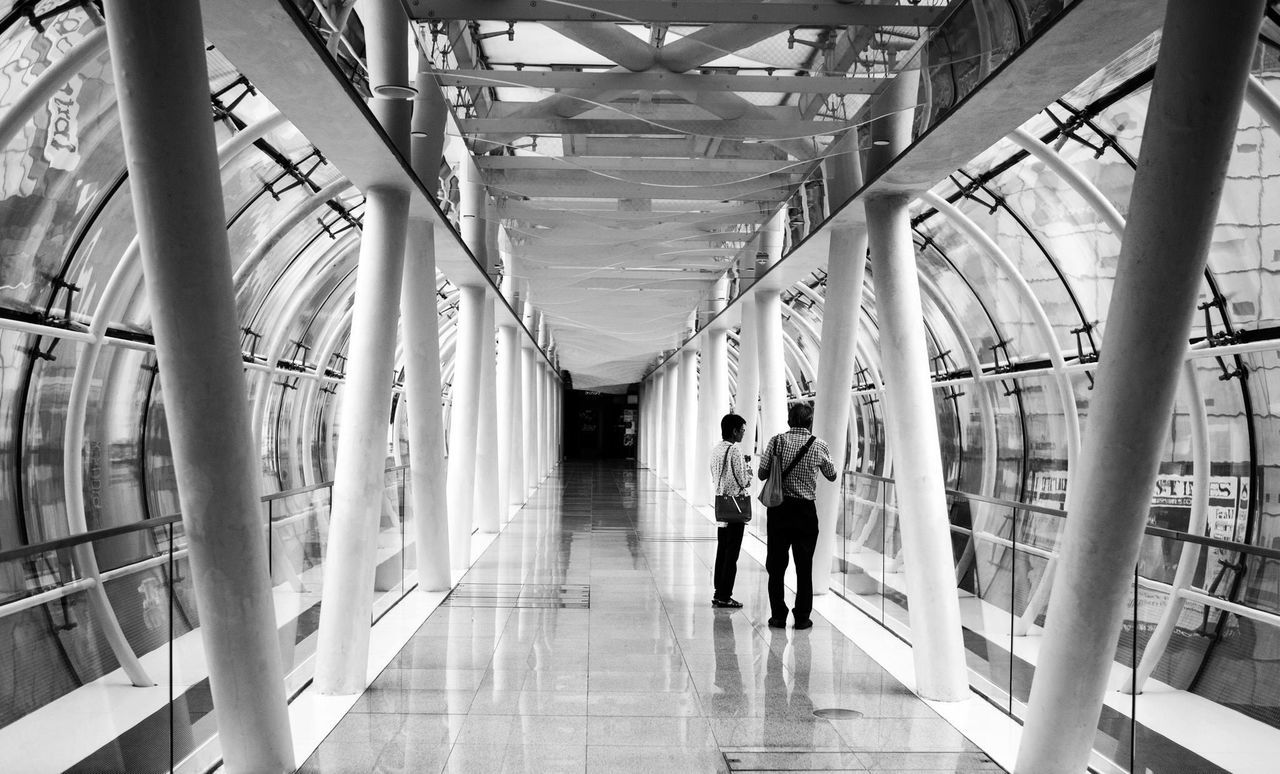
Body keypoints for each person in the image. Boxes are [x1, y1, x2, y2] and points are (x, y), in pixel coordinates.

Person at [757, 401, 837, 629]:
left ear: (789, 421)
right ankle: (802, 617)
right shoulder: (819, 445)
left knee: (776, 564)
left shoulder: (776, 441)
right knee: (804, 566)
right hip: (805, 512)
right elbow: (831, 475)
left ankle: (778, 615)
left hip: (779, 510)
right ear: (810, 422)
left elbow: (762, 473)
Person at [710, 413, 750, 609]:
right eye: (742, 430)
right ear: (734, 431)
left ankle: (719, 591)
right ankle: (725, 595)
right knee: (732, 553)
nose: (743, 433)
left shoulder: (717, 449)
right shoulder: (735, 450)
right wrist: (748, 472)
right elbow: (743, 480)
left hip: (721, 506)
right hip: (735, 508)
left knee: (722, 550)